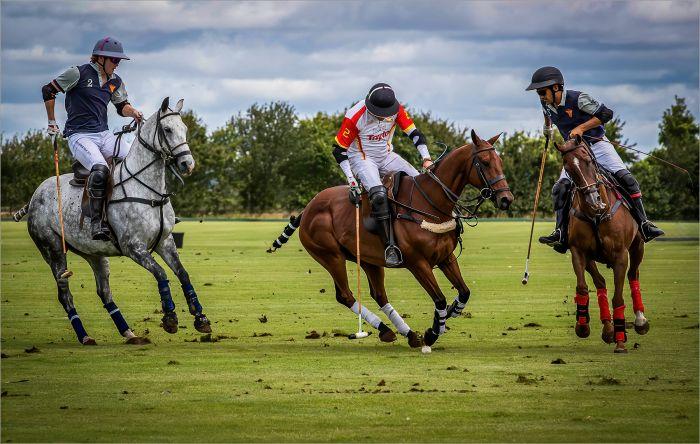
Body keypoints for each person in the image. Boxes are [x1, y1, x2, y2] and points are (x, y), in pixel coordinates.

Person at [526, 66, 664, 253]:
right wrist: (547, 127)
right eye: (538, 93)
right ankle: (560, 233)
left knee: (627, 180)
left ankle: (644, 224)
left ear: (556, 87)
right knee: (560, 188)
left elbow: (606, 114)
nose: (540, 96)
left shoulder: (578, 98)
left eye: (542, 92)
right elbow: (548, 113)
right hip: (574, 152)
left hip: (598, 146)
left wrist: (581, 128)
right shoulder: (546, 103)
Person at [42, 37, 143, 240]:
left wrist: (133, 112)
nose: (117, 64)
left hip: (104, 134)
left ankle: (144, 210)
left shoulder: (115, 81)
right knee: (100, 169)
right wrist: (52, 121)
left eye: (119, 60)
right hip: (79, 135)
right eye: (114, 60)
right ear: (100, 58)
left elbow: (121, 106)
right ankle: (96, 223)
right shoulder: (78, 73)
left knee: (137, 160)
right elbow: (48, 90)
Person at [332, 83, 433, 267]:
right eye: (379, 113)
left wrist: (426, 158)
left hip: (386, 155)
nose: (383, 117)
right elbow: (338, 150)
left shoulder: (396, 109)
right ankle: (390, 246)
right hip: (362, 158)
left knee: (420, 182)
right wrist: (351, 179)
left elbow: (415, 134)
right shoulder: (355, 115)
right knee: (379, 195)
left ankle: (427, 231)